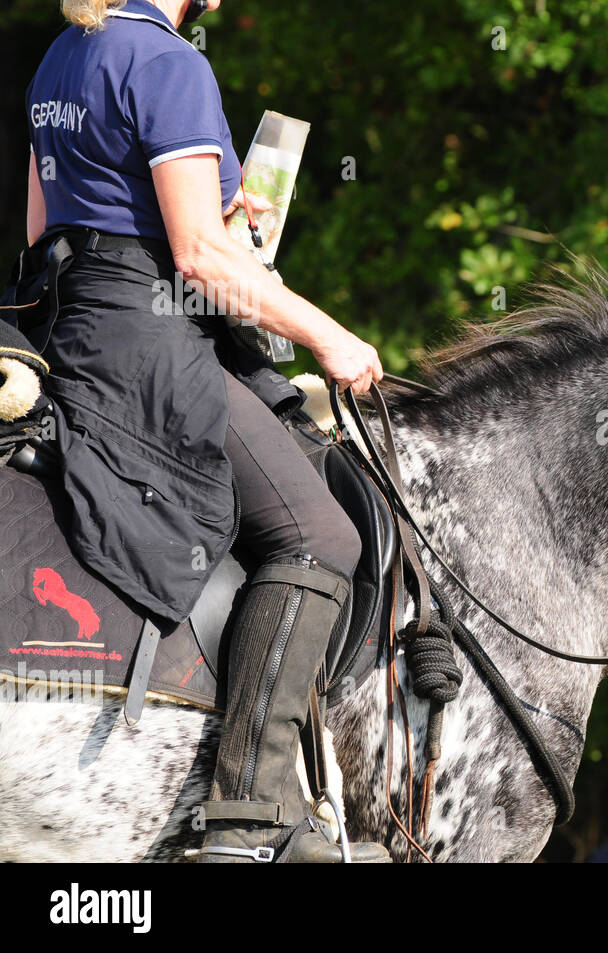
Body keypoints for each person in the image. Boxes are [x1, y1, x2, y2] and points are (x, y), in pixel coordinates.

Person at [25, 0, 390, 862]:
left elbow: (46, 232)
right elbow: (197, 258)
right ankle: (248, 813)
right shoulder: (169, 62)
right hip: (150, 348)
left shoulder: (61, 56)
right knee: (320, 535)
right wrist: (328, 335)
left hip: (71, 330)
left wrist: (229, 234)